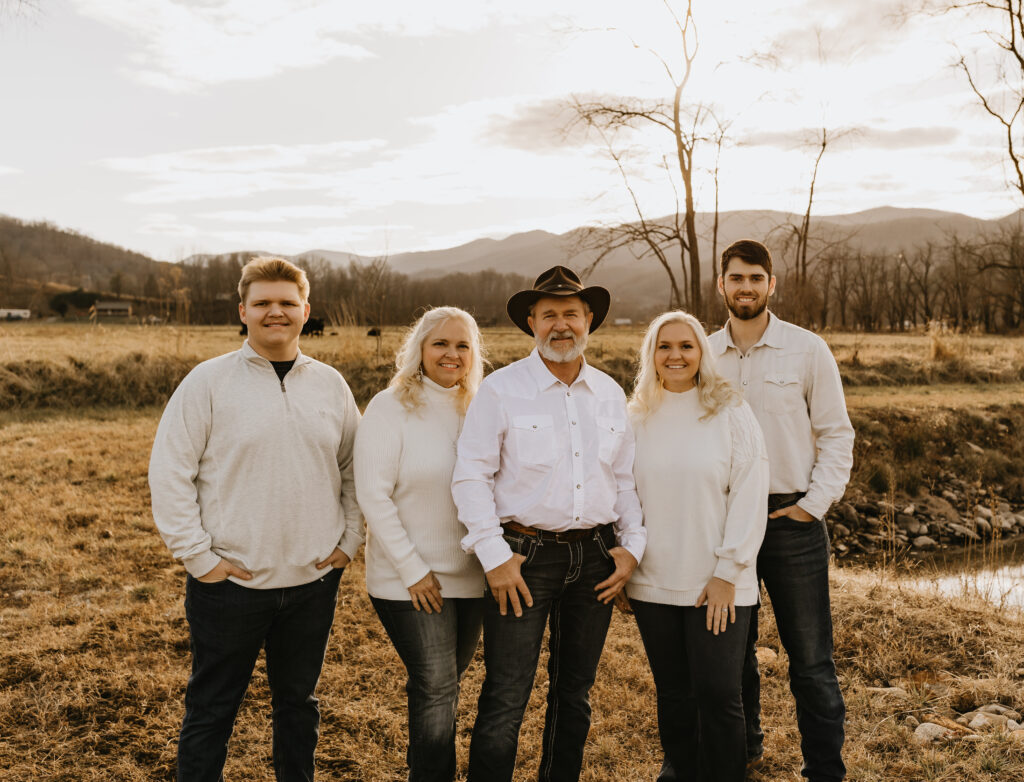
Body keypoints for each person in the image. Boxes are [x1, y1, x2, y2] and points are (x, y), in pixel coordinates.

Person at [149, 256, 362, 782]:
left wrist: (350, 541)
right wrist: (200, 558)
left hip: (313, 581)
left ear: (306, 311)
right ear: (242, 310)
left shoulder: (331, 385)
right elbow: (169, 472)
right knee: (212, 710)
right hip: (231, 584)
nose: (276, 312)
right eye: (263, 303)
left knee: (298, 707)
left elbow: (357, 469)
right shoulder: (208, 382)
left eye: (287, 303)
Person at [452, 265, 646, 782]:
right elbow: (470, 477)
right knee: (506, 693)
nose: (562, 325)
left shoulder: (608, 393)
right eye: (549, 315)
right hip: (524, 558)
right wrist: (494, 558)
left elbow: (624, 481)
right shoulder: (501, 390)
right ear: (532, 324)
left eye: (572, 314)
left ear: (589, 322)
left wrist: (633, 547)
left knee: (574, 692)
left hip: (596, 561)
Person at [708, 240, 854, 782]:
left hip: (790, 521)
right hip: (723, 523)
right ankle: (742, 752)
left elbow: (837, 433)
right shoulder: (701, 353)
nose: (746, 287)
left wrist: (813, 507)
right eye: (736, 278)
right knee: (731, 654)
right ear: (720, 286)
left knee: (811, 658)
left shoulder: (807, 350)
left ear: (772, 285)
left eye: (756, 278)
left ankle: (824, 770)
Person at [625, 310, 768, 782]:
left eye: (686, 346)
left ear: (701, 353)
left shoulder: (730, 409)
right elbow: (623, 494)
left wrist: (728, 572)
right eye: (664, 346)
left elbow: (751, 491)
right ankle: (682, 770)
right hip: (653, 580)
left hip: (719, 580)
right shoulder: (637, 416)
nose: (675, 355)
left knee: (718, 692)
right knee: (673, 691)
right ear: (652, 355)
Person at [354, 306, 487, 782]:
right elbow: (372, 493)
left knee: (443, 686)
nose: (451, 354)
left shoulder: (481, 408)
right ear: (420, 350)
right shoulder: (391, 407)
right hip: (408, 579)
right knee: (436, 686)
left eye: (462, 345)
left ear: (474, 355)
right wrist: (413, 570)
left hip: (473, 578)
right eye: (440, 344)